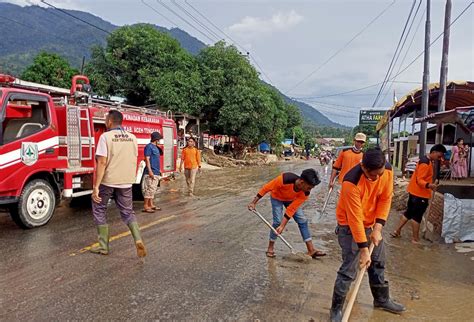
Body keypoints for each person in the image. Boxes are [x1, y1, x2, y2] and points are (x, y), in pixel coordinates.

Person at [329, 148, 405, 322]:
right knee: (350, 268)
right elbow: (355, 219)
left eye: (379, 175)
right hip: (349, 225)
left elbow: (385, 198)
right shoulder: (350, 182)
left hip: (371, 223)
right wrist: (363, 249)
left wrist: (378, 228)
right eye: (372, 176)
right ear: (363, 167)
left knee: (378, 262)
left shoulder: (387, 170)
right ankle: (336, 310)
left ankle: (381, 300)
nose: (376, 179)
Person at [90, 110, 146, 258]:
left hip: (109, 180)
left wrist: (96, 186)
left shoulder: (105, 137)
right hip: (127, 180)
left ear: (109, 121)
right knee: (128, 212)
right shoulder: (133, 137)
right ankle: (138, 239)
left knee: (99, 209)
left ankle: (103, 247)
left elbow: (101, 162)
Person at [247, 169, 326, 258]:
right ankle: (270, 247)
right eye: (309, 187)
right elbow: (266, 188)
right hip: (277, 197)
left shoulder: (305, 192)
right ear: (301, 182)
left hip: (291, 200)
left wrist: (283, 225)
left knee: (302, 220)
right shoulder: (284, 179)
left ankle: (311, 250)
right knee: (277, 222)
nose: (309, 190)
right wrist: (253, 202)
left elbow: (291, 209)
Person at [391, 144, 447, 243]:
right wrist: (430, 185)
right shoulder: (425, 163)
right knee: (416, 217)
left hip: (414, 192)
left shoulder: (426, 161)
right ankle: (415, 239)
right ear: (434, 152)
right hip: (419, 194)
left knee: (408, 213)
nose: (440, 158)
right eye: (439, 156)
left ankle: (397, 231)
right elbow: (420, 180)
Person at [143, 131, 162, 213]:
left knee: (153, 189)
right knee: (149, 188)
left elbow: (157, 160)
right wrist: (150, 171)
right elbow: (147, 159)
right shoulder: (149, 147)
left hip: (156, 171)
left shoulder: (156, 147)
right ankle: (146, 205)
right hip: (151, 171)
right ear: (156, 139)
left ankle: (151, 204)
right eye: (159, 139)